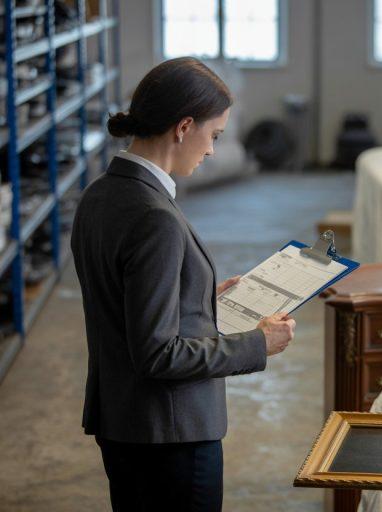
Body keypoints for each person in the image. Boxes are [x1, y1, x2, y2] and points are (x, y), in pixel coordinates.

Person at [70, 57, 296, 512]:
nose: (212, 149)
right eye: (212, 135)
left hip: (124, 422)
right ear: (183, 127)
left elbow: (121, 298)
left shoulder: (100, 195)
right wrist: (258, 343)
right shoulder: (156, 217)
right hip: (171, 434)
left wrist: (197, 295)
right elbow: (157, 353)